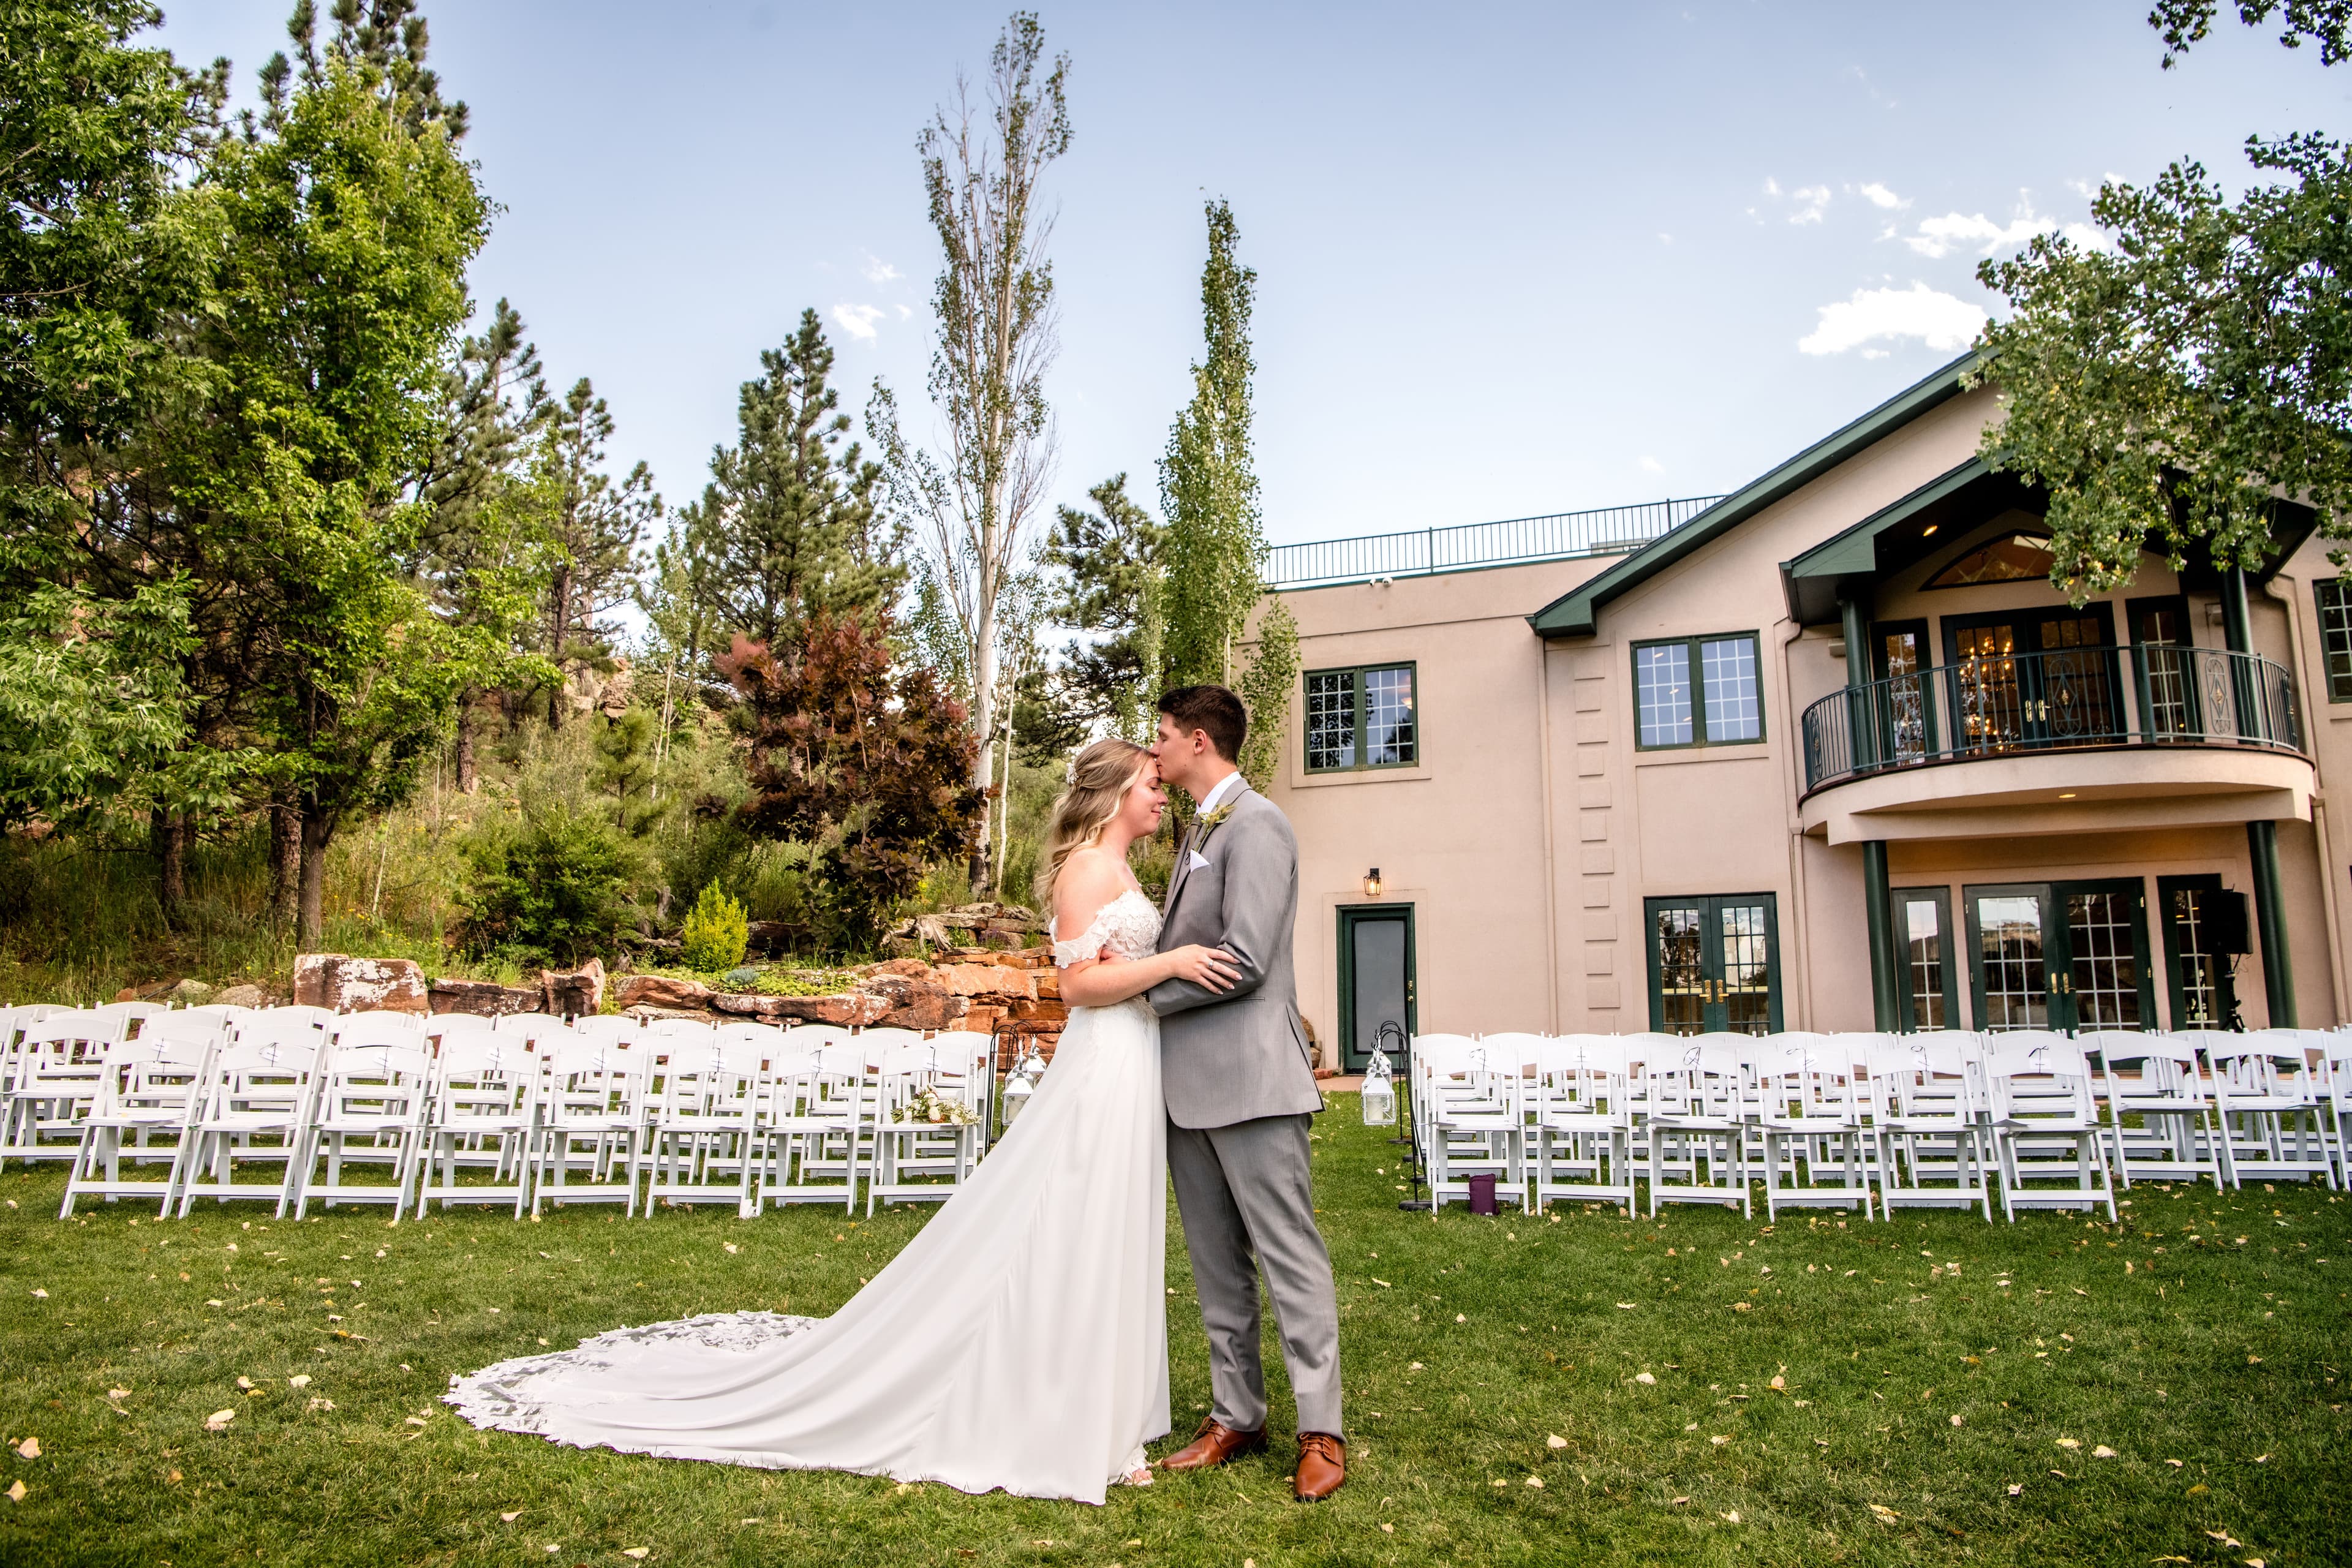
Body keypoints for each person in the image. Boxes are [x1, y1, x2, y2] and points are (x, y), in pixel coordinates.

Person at [445, 738, 1240, 1506]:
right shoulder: (1085, 872)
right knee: (1075, 1229)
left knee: (1113, 1231)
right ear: (1110, 794)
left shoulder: (1126, 870)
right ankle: (1059, 1415)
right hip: (1100, 1067)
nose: (1157, 794)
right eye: (1147, 784)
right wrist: (1171, 964)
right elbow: (1077, 989)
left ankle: (1108, 1424)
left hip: (1134, 1063)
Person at [1147, 684, 1347, 1502]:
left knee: (1289, 1255)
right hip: (1185, 1089)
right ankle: (1237, 1414)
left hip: (1255, 1084)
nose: (1152, 748)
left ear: (1199, 741)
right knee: (1215, 1265)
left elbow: (1245, 959)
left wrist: (1140, 997)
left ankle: (1322, 1430)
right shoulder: (1197, 828)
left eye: (1160, 734)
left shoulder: (1258, 823)